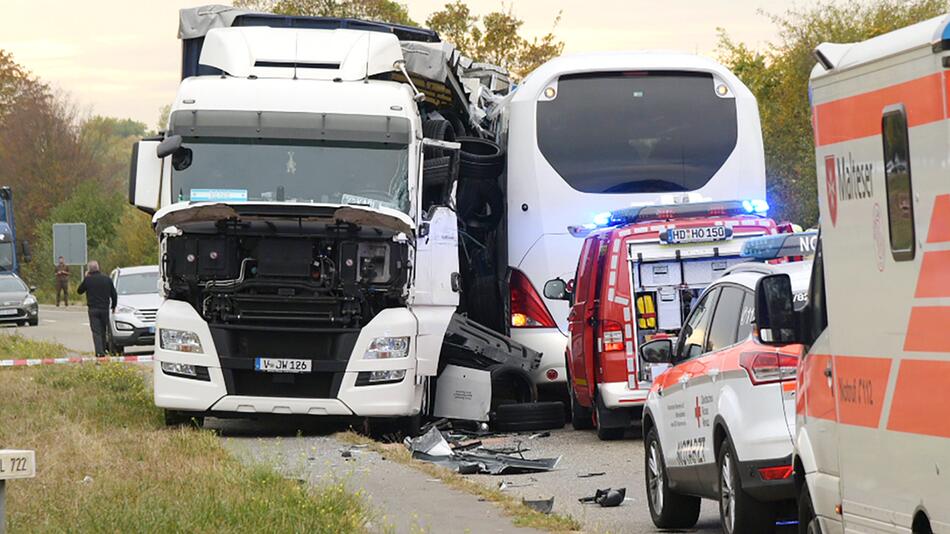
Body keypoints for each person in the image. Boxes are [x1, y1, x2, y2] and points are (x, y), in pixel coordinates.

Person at [77, 261, 117, 357]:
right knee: (103, 330)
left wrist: (86, 277)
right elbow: (114, 294)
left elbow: (79, 291)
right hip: (104, 309)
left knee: (96, 332)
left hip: (93, 309)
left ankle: (99, 353)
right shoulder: (107, 279)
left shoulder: (88, 280)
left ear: (89, 270)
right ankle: (103, 349)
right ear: (98, 268)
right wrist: (113, 306)